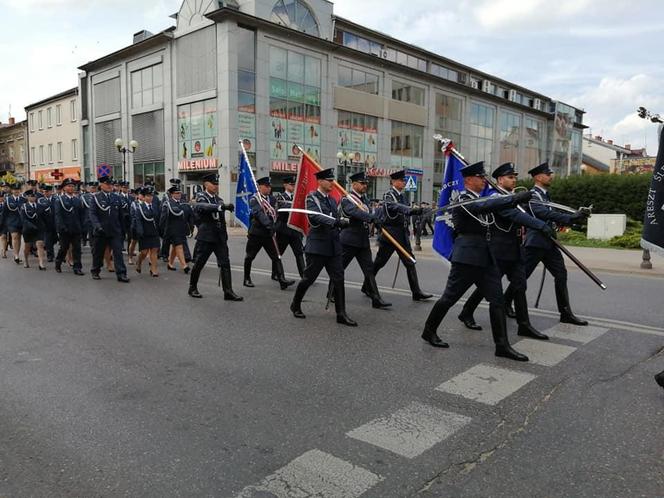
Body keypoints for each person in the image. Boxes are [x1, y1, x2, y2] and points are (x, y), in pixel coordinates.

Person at [421, 161, 532, 362]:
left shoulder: (481, 199)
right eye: (481, 177)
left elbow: (495, 210)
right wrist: (514, 198)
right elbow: (486, 205)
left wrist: (516, 201)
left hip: (485, 256)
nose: (484, 181)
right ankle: (429, 330)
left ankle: (502, 346)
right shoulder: (463, 199)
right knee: (449, 298)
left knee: (497, 300)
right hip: (467, 257)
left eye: (484, 177)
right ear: (469, 180)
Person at [457, 163, 555, 340]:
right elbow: (515, 216)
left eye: (515, 177)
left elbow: (531, 213)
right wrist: (539, 225)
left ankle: (524, 325)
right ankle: (467, 311)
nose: (514, 180)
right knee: (486, 287)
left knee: (519, 286)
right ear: (500, 180)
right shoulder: (496, 197)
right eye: (510, 177)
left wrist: (569, 218)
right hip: (499, 249)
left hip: (515, 249)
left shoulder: (510, 197)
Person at [503, 162, 589, 326]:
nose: (551, 176)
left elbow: (551, 215)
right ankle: (505, 302)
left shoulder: (545, 195)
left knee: (561, 275)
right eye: (547, 174)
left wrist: (575, 219)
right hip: (535, 242)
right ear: (538, 177)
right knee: (522, 277)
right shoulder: (533, 195)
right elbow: (541, 213)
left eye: (550, 174)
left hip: (548, 242)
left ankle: (565, 313)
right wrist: (571, 217)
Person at [289, 168, 357, 326]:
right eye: (329, 180)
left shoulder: (332, 200)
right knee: (308, 278)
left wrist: (343, 222)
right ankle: (295, 304)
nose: (332, 183)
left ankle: (341, 313)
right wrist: (335, 222)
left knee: (339, 279)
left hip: (334, 246)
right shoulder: (312, 198)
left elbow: (337, 217)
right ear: (320, 181)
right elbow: (315, 216)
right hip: (318, 246)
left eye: (332, 180)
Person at [327, 171, 391, 309]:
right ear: (354, 184)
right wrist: (371, 218)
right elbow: (355, 212)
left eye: (366, 183)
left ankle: (376, 298)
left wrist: (377, 220)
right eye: (362, 183)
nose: (365, 185)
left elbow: (369, 212)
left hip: (362, 241)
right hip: (349, 240)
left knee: (369, 270)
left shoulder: (365, 199)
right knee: (339, 268)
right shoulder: (347, 199)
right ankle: (331, 293)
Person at [368, 170, 433, 301]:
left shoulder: (402, 196)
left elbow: (403, 208)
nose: (403, 183)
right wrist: (411, 210)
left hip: (402, 235)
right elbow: (395, 207)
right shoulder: (388, 196)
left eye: (404, 181)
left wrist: (418, 211)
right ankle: (366, 285)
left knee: (410, 261)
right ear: (393, 182)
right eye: (401, 181)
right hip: (390, 235)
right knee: (380, 263)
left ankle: (416, 292)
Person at [187, 173, 242, 301]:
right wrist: (220, 207)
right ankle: (192, 287)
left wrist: (225, 235)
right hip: (206, 237)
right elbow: (203, 207)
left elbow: (221, 220)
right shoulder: (201, 197)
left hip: (219, 238)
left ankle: (228, 291)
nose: (216, 186)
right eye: (213, 184)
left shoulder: (218, 199)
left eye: (217, 184)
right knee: (199, 263)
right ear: (206, 184)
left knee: (225, 263)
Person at [243, 176, 295, 290]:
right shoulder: (254, 199)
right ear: (260, 187)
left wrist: (295, 206)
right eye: (266, 186)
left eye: (270, 186)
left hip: (268, 234)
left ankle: (282, 279)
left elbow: (280, 209)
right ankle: (246, 278)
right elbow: (259, 214)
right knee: (250, 256)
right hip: (256, 234)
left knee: (277, 257)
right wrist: (269, 225)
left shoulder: (272, 199)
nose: (269, 188)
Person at [88, 176, 130, 282]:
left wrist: (123, 230)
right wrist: (97, 226)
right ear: (101, 185)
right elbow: (92, 214)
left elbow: (121, 215)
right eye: (107, 184)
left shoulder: (116, 197)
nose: (109, 186)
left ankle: (121, 273)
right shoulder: (95, 197)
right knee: (98, 253)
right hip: (101, 230)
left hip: (115, 230)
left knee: (118, 252)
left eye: (111, 184)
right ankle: (95, 270)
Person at [272, 176, 306, 279]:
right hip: (283, 230)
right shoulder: (280, 197)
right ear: (285, 185)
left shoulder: (297, 198)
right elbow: (282, 208)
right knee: (279, 253)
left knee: (299, 253)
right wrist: (295, 206)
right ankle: (275, 273)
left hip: (295, 230)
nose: (293, 186)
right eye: (291, 184)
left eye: (294, 184)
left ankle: (304, 275)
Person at [54, 178, 85, 275]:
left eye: (72, 186)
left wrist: (82, 226)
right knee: (64, 248)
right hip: (65, 229)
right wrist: (62, 227)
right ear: (64, 188)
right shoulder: (60, 200)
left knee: (77, 249)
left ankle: (77, 267)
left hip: (76, 228)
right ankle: (58, 262)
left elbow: (81, 214)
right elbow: (58, 215)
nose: (71, 188)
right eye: (69, 186)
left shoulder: (77, 200)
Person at [160, 185, 193, 273]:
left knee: (175, 247)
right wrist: (161, 230)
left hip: (182, 229)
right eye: (176, 193)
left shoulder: (183, 202)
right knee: (179, 246)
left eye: (179, 193)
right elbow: (163, 218)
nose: (179, 194)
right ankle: (184, 266)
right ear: (171, 194)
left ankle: (170, 264)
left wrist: (191, 227)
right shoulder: (168, 203)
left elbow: (189, 215)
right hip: (172, 229)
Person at [132, 187, 161, 277]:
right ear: (143, 197)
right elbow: (138, 221)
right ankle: (139, 262)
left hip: (154, 231)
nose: (150, 198)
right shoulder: (139, 208)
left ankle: (154, 269)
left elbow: (158, 219)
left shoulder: (155, 206)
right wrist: (140, 231)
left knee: (154, 250)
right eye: (148, 196)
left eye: (151, 196)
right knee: (144, 252)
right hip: (144, 232)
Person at [19, 189, 47, 270]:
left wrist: (46, 226)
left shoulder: (40, 206)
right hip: (28, 229)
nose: (33, 198)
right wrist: (31, 226)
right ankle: (26, 260)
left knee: (40, 244)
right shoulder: (24, 207)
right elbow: (23, 219)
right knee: (27, 247)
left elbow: (45, 218)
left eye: (34, 196)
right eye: (31, 196)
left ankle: (41, 263)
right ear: (27, 197)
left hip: (39, 228)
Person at [5, 183, 24, 264]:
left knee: (19, 238)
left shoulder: (23, 199)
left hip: (21, 222)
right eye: (15, 190)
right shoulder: (8, 199)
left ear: (20, 190)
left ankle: (17, 254)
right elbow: (4, 212)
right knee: (15, 236)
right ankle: (16, 255)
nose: (16, 191)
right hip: (12, 222)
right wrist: (3, 223)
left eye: (18, 190)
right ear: (12, 190)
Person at [38, 184, 57, 262]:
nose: (46, 193)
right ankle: (50, 255)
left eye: (47, 191)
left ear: (51, 192)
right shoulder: (40, 200)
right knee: (48, 240)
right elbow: (39, 212)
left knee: (54, 239)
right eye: (44, 191)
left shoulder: (56, 199)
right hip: (46, 223)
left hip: (56, 222)